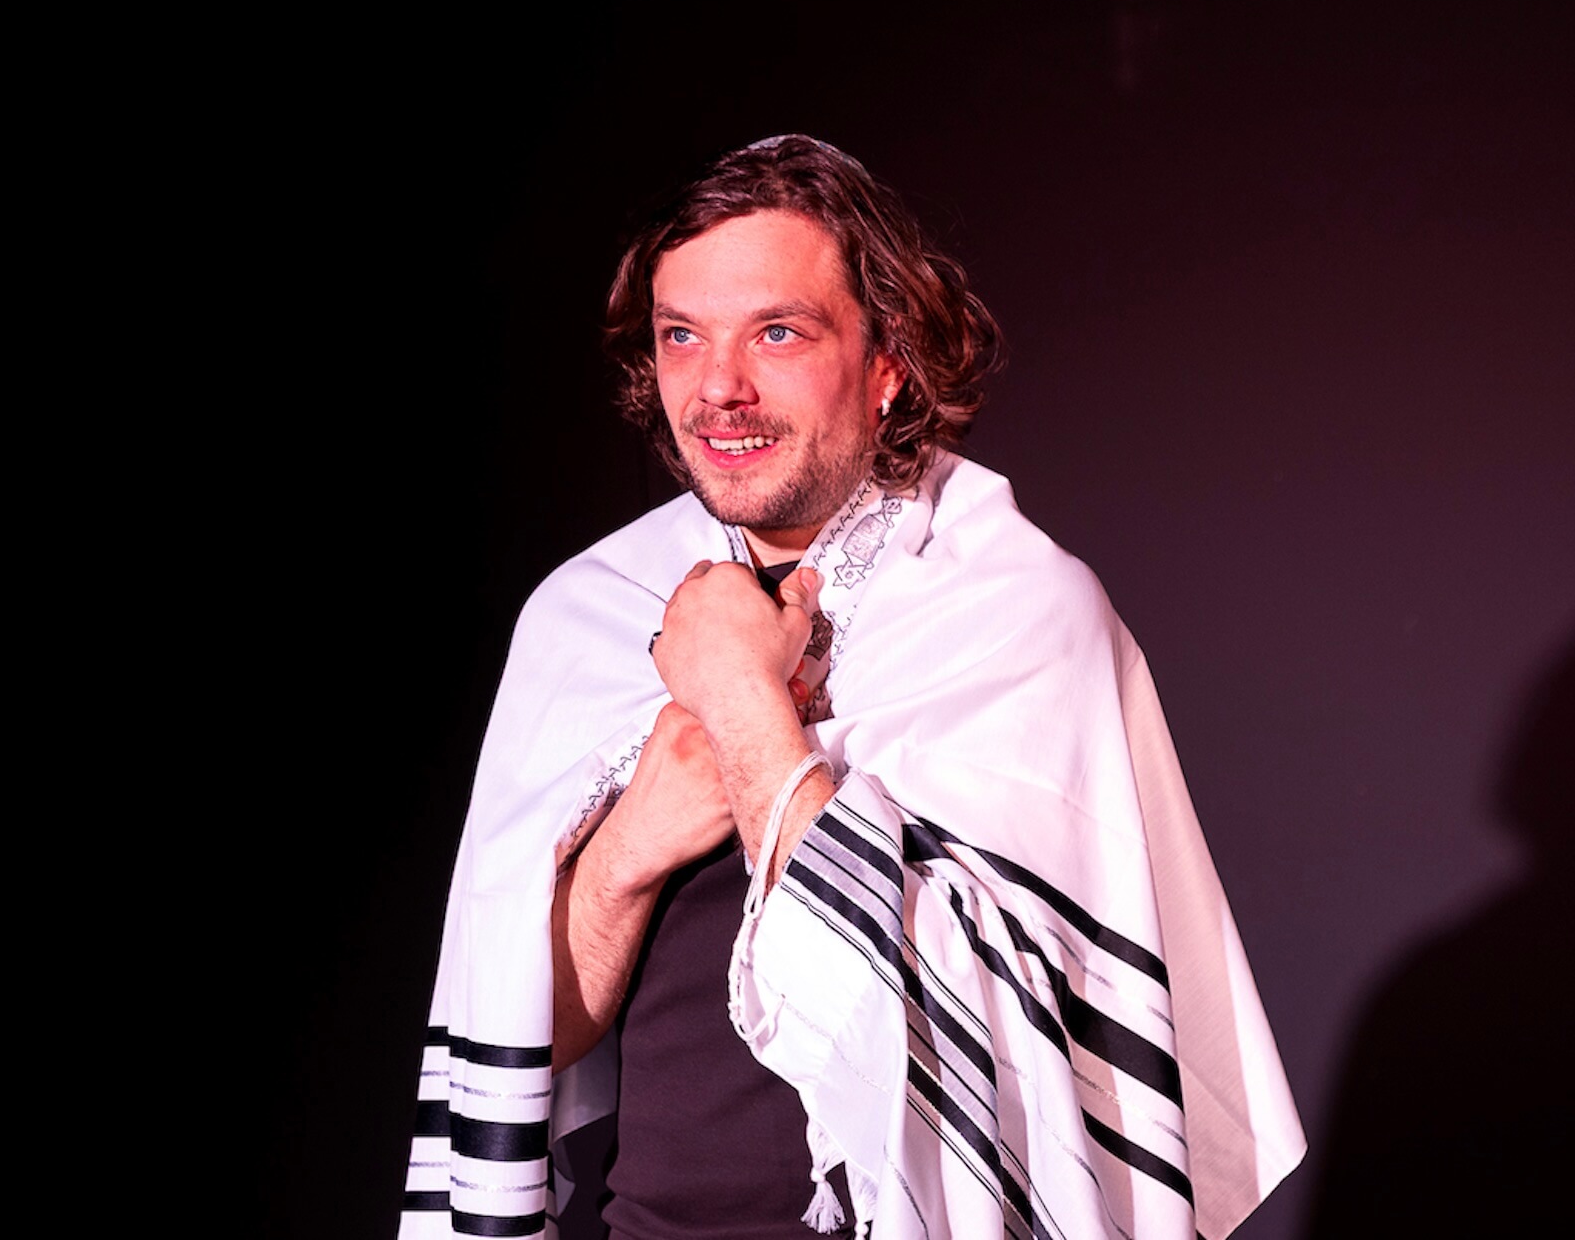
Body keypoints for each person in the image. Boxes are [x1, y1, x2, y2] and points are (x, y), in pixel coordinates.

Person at [403, 135, 1302, 1240]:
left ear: (888, 362)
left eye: (777, 332)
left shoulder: (1015, 609)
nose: (719, 388)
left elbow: (980, 1060)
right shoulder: (587, 615)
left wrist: (743, 706)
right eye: (682, 336)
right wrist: (632, 844)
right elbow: (522, 1030)